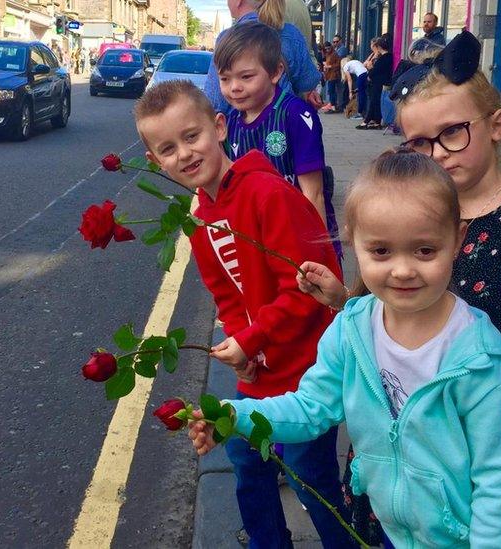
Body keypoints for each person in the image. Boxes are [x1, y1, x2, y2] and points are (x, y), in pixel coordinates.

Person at [303, 31, 501, 547]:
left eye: (452, 133)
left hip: (500, 418)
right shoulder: (408, 213)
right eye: (419, 143)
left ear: (496, 125)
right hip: (409, 427)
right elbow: (381, 309)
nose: (437, 154)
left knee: (497, 519)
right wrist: (344, 301)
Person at [191, 148, 501, 547]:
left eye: (425, 250)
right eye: (381, 251)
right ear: (353, 240)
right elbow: (310, 408)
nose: (403, 269)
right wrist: (234, 416)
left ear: (458, 237)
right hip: (395, 532)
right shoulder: (353, 329)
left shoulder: (486, 366)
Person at [134, 79, 355, 549]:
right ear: (156, 162)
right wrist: (243, 350)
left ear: (218, 127)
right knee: (244, 456)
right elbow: (227, 295)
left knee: (307, 475)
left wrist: (253, 338)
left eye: (192, 137)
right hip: (263, 363)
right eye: (168, 149)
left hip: (307, 366)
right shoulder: (199, 215)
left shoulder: (266, 194)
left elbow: (306, 293)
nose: (185, 154)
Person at [217, 22, 340, 261]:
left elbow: (313, 193)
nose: (234, 88)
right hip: (256, 238)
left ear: (275, 72)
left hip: (299, 237)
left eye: (246, 77)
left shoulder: (296, 115)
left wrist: (317, 256)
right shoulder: (229, 122)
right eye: (224, 78)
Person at [203, 0, 322, 113]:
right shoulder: (291, 34)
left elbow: (214, 101)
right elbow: (308, 82)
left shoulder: (227, 37)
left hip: (239, 130)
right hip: (284, 123)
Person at [357, 35, 391, 129]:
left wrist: (371, 70)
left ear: (379, 47)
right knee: (376, 101)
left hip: (379, 82)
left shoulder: (385, 57)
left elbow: (376, 70)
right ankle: (376, 121)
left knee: (374, 101)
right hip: (377, 82)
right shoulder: (385, 57)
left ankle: (367, 120)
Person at [320, 41, 342, 113]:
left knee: (332, 91)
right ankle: (333, 106)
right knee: (331, 91)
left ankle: (333, 107)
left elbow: (338, 64)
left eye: (328, 48)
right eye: (326, 49)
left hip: (333, 75)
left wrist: (330, 66)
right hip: (329, 75)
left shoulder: (334, 54)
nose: (327, 50)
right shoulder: (327, 54)